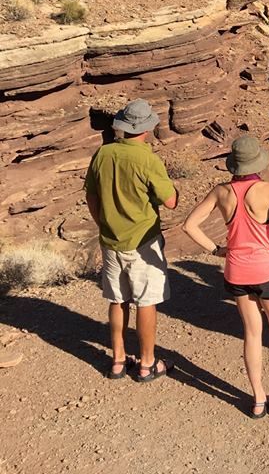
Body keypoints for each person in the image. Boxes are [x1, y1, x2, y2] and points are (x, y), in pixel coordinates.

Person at [182, 135, 269, 420]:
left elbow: (189, 225)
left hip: (236, 271)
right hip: (268, 270)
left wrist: (217, 250)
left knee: (252, 334)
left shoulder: (221, 191)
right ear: (258, 162)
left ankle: (257, 400)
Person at [84, 99, 178, 382]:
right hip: (143, 241)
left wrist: (102, 222)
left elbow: (91, 194)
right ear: (147, 129)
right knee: (146, 302)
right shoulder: (147, 158)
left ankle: (117, 360)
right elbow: (171, 201)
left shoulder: (103, 153)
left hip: (111, 240)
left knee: (117, 299)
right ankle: (147, 363)